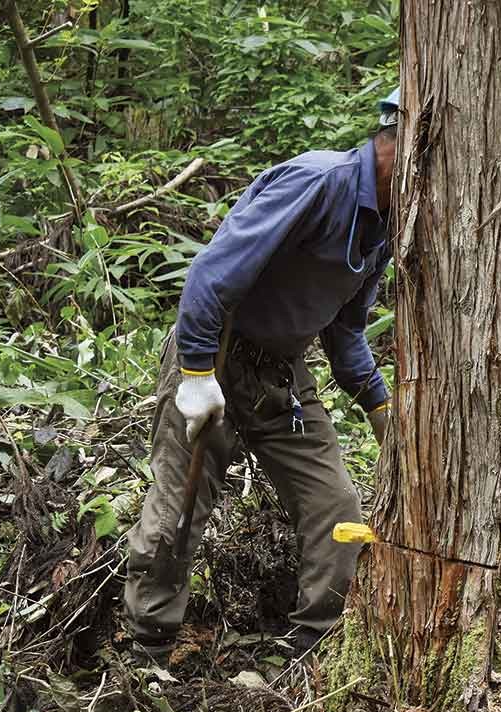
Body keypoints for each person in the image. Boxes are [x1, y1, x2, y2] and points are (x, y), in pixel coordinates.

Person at [123, 89, 402, 662]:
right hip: (217, 354)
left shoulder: (387, 222)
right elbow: (213, 273)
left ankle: (311, 648)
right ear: (397, 139)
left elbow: (346, 329)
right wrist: (197, 373)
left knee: (337, 511)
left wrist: (378, 405)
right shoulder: (321, 182)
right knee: (181, 505)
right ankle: (148, 650)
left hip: (283, 378)